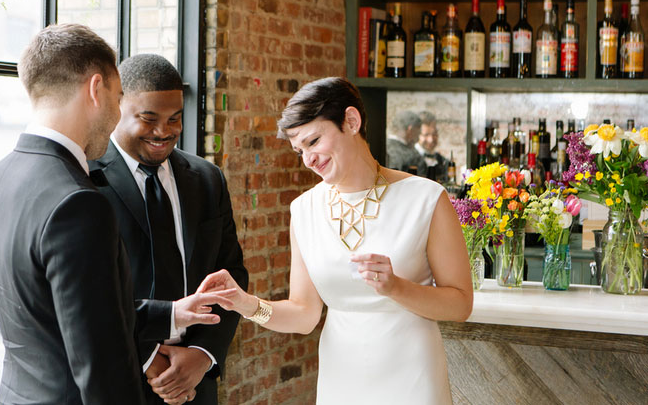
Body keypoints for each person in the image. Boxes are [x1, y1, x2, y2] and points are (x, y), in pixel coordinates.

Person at [0, 24, 231, 405]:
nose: (115, 112)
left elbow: (74, 314)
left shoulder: (1, 175)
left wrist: (172, 313)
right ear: (96, 89)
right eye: (116, 96)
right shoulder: (78, 202)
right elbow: (101, 366)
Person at [198, 77, 473, 404]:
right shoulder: (304, 210)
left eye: (313, 141)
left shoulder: (426, 198)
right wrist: (248, 305)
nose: (308, 159)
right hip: (342, 377)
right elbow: (305, 314)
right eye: (299, 150)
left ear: (351, 122)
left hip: (412, 375)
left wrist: (397, 287)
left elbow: (460, 304)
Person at [88, 53, 248, 405]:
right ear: (117, 108)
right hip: (120, 379)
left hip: (196, 384)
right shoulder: (83, 180)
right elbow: (88, 295)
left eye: (174, 119)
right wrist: (150, 358)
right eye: (149, 119)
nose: (164, 132)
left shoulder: (207, 179)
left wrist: (203, 355)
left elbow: (231, 273)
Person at [386, 109, 427, 176]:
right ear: (410, 130)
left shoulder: (382, 147)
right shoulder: (413, 155)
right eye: (418, 130)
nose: (419, 134)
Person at [416, 110, 449, 182]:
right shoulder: (410, 159)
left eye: (434, 134)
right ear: (417, 134)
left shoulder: (443, 161)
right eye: (426, 135)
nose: (431, 139)